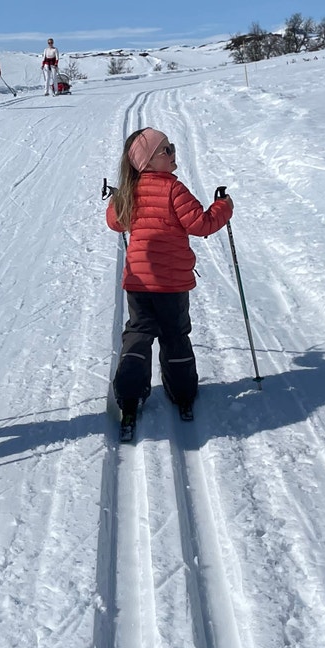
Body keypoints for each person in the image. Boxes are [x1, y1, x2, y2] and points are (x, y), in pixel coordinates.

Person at [104, 128, 233, 435]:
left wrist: (117, 198)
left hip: (138, 283)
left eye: (171, 147)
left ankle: (130, 393)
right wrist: (224, 208)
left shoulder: (130, 191)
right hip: (172, 285)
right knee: (174, 335)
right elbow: (201, 225)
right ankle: (182, 392)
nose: (173, 153)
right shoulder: (174, 190)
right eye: (166, 150)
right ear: (148, 161)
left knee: (138, 334)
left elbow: (115, 222)